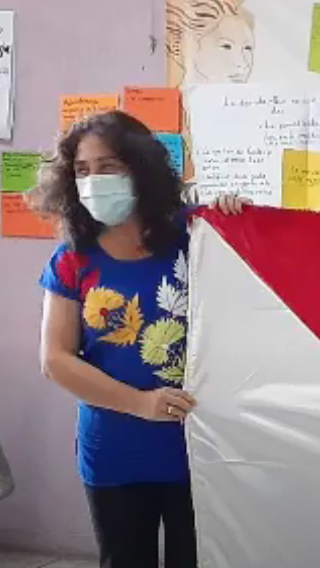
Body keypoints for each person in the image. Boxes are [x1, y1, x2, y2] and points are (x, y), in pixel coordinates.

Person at [31, 111, 247, 568]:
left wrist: (239, 219)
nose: (93, 181)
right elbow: (55, 360)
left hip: (200, 447)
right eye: (82, 171)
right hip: (116, 451)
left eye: (108, 167)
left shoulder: (196, 235)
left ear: (140, 168)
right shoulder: (72, 259)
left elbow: (249, 301)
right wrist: (141, 403)